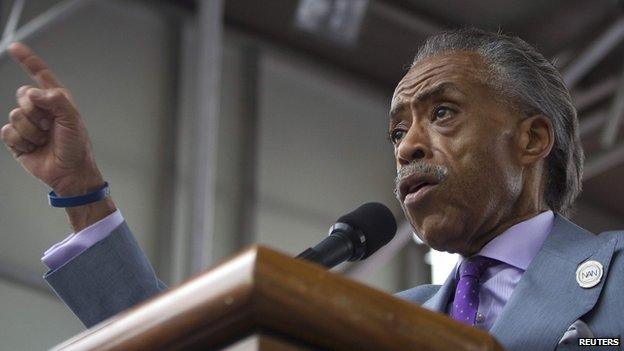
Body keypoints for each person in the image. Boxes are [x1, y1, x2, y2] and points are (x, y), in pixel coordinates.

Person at [1, 29, 622, 351]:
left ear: (533, 139)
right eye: (398, 129)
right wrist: (82, 193)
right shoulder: (382, 321)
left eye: (443, 114)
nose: (406, 147)